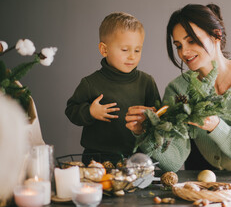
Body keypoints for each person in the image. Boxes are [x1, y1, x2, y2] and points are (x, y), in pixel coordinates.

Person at [126, 4, 231, 173]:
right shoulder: (178, 90)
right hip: (200, 182)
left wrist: (215, 125)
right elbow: (173, 162)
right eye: (178, 45)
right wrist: (145, 132)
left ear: (216, 35)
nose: (184, 52)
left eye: (191, 40)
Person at [65, 12, 160, 165]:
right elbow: (71, 111)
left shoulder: (146, 82)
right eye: (125, 50)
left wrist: (148, 120)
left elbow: (159, 116)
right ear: (104, 49)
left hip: (136, 158)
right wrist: (90, 112)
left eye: (137, 50)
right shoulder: (91, 83)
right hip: (97, 159)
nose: (132, 56)